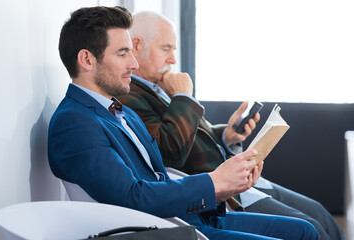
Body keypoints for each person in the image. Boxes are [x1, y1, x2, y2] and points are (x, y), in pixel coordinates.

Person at [48, 6, 319, 240]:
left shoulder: (122, 112)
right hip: (164, 230)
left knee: (305, 230)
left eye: (132, 51)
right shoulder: (74, 122)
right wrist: (215, 182)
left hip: (192, 216)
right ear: (86, 60)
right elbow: (132, 196)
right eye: (122, 53)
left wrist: (225, 186)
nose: (133, 63)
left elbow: (161, 175)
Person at [117, 11, 345, 240]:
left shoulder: (161, 86)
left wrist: (227, 135)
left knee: (319, 212)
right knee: (310, 225)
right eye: (166, 48)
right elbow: (169, 150)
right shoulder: (130, 96)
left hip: (237, 177)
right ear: (136, 46)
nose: (173, 60)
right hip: (221, 193)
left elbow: (194, 135)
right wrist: (184, 97)